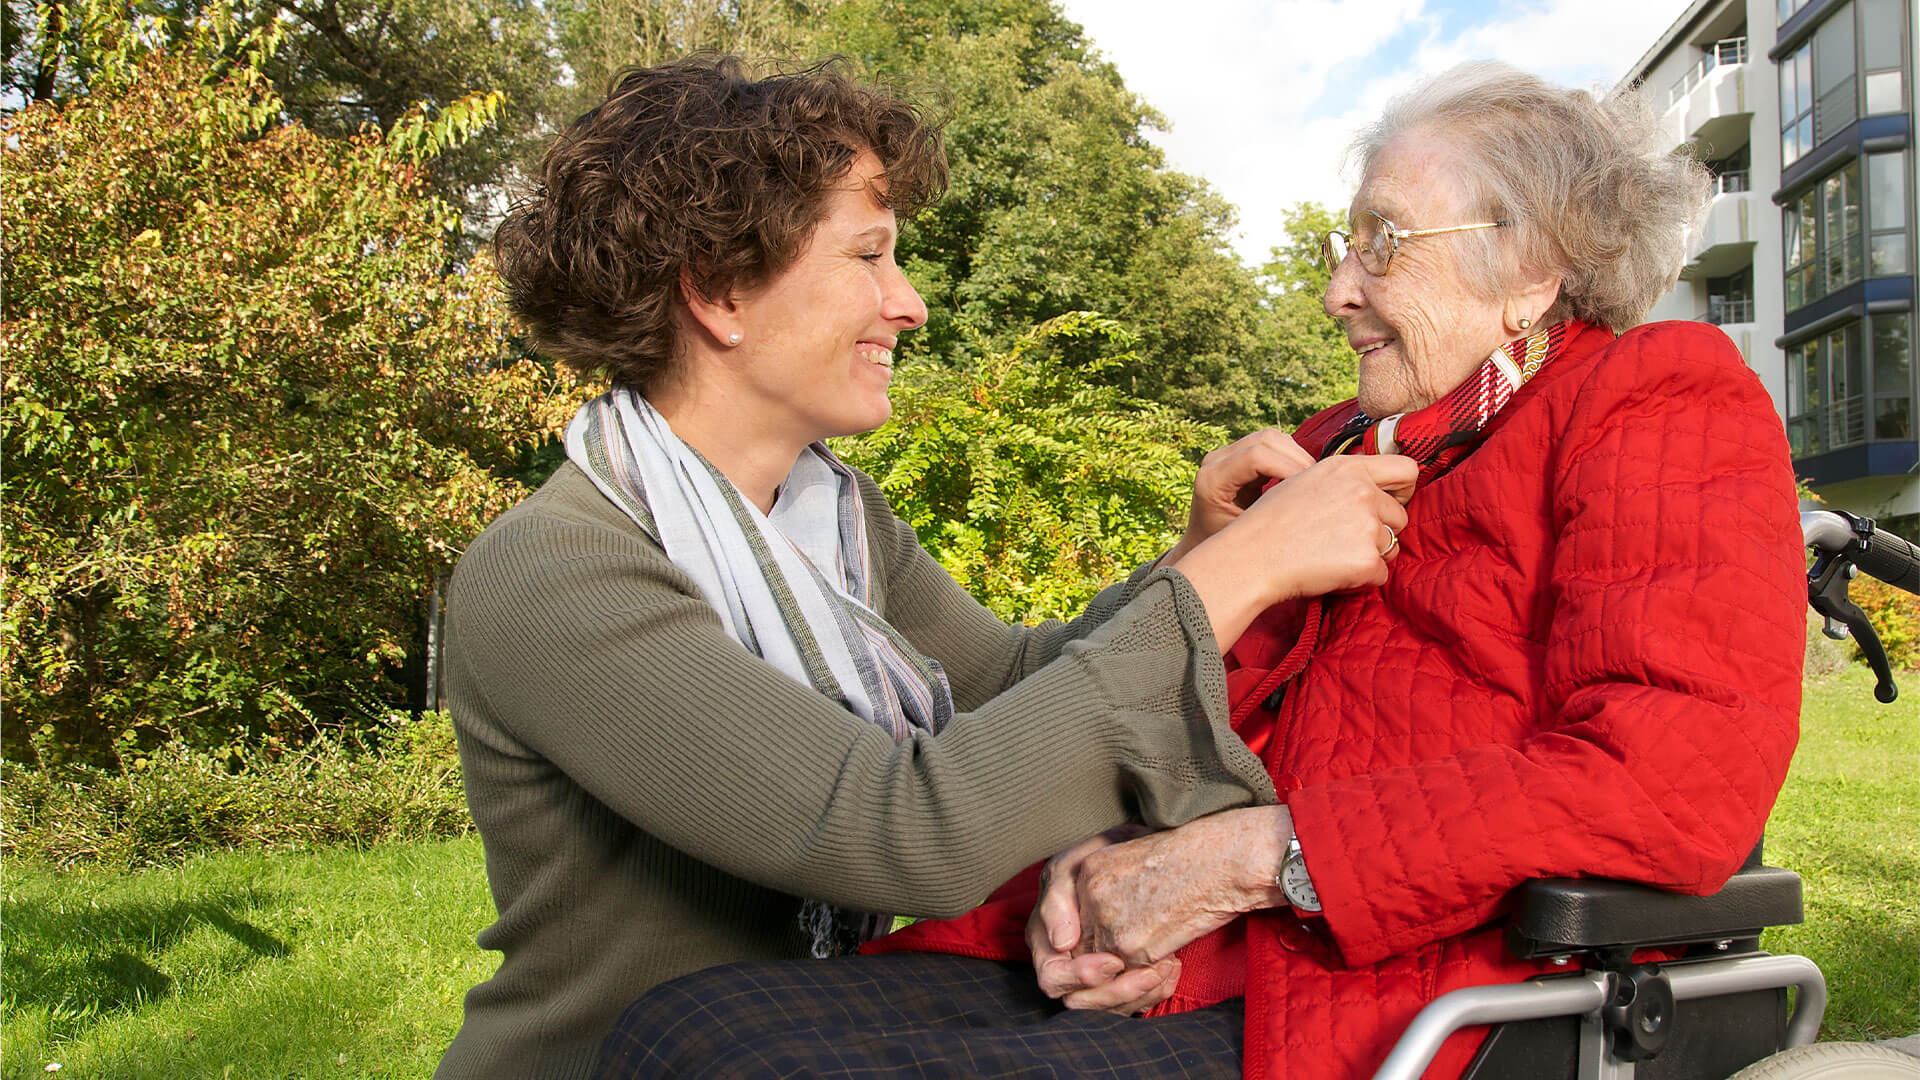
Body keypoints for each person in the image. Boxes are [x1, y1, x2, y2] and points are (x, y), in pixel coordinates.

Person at [594, 62, 1808, 1080]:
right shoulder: (1338, 446)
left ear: (1534, 271)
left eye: (1383, 245)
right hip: (1195, 961)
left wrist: (1241, 862)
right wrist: (1096, 863)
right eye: (1346, 246)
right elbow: (1169, 713)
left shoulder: (1654, 397)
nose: (1338, 289)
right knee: (684, 1034)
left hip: (1408, 990)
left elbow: (1672, 784)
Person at [435, 55, 1418, 1080]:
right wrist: (1244, 575)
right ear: (721, 293)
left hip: (810, 1046)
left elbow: (1002, 694)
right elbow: (895, 828)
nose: (908, 303)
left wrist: (1195, 557)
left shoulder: (836, 518)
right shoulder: (557, 572)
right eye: (868, 256)